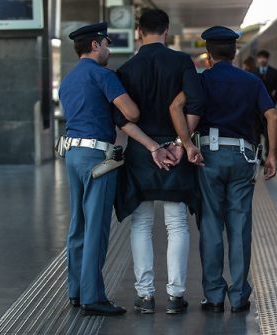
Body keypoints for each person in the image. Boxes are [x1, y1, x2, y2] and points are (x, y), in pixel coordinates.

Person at [170, 26, 277, 313]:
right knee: (240, 225)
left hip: (209, 157)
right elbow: (272, 116)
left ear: (208, 54)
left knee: (211, 225)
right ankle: (239, 295)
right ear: (234, 53)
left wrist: (185, 143)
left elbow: (176, 107)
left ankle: (215, 296)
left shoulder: (200, 80)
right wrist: (272, 154)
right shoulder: (251, 80)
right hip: (243, 157)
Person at [112, 9, 205, 315]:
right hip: (176, 150)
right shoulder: (181, 62)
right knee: (177, 223)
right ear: (166, 31)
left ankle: (145, 296)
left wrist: (152, 146)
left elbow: (121, 120)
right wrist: (181, 144)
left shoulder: (126, 69)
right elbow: (196, 103)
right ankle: (176, 296)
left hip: (142, 153)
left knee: (141, 223)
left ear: (139, 32)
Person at [59, 22, 140, 316]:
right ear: (95, 45)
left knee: (77, 225)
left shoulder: (68, 80)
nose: (108, 48)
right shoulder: (103, 75)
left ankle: (76, 290)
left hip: (72, 154)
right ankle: (93, 296)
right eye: (106, 43)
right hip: (97, 158)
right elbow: (131, 113)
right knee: (96, 227)